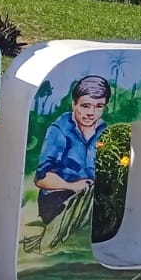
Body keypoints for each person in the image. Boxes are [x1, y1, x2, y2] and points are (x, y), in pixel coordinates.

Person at [34, 75, 110, 224]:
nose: (91, 112)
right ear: (74, 104)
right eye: (85, 105)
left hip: (90, 197)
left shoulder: (104, 130)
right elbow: (41, 178)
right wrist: (73, 186)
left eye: (99, 106)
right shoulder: (60, 130)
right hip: (58, 199)